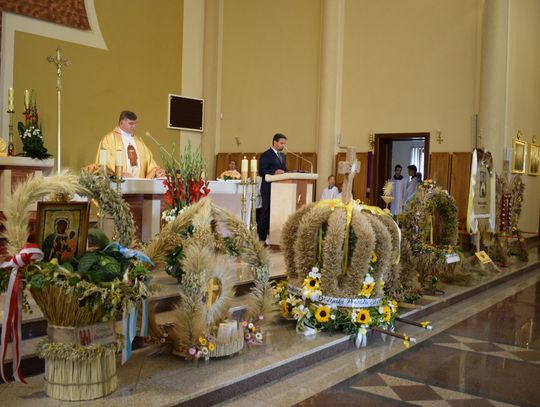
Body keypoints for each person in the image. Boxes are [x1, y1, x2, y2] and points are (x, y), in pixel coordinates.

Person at [91, 111, 166, 178]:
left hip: (139, 185)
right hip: (118, 183)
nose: (134, 126)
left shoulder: (139, 140)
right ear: (121, 123)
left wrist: (156, 171)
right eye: (130, 123)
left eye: (135, 123)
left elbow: (149, 160)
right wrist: (119, 173)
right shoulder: (109, 139)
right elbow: (105, 163)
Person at [258, 133, 287, 243]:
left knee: (277, 213)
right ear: (275, 142)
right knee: (266, 212)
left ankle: (275, 237)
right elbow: (262, 171)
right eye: (281, 143)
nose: (283, 145)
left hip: (280, 188)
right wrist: (274, 172)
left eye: (284, 143)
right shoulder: (266, 154)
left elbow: (284, 169)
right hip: (268, 188)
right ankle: (262, 238)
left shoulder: (282, 156)